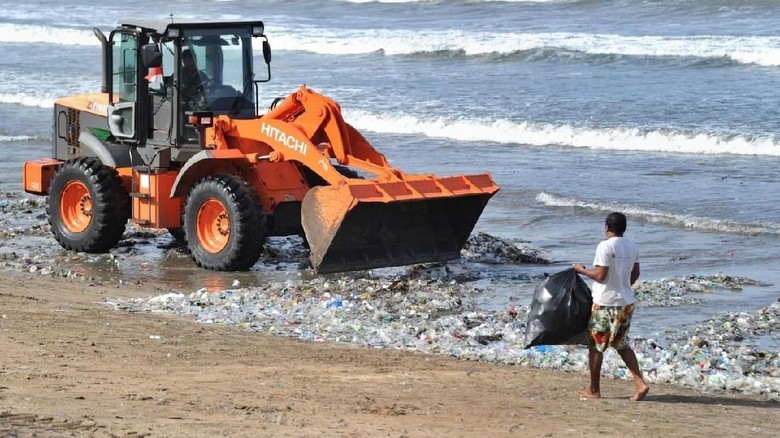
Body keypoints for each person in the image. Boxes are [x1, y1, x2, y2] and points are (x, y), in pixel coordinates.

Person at [573, 212, 649, 402]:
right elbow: (636, 272)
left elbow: (600, 275)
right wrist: (624, 285)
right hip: (626, 302)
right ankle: (640, 383)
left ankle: (594, 390)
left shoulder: (605, 246)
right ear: (624, 228)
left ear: (607, 227)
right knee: (621, 344)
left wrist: (581, 270)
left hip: (606, 303)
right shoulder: (632, 246)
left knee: (596, 346)